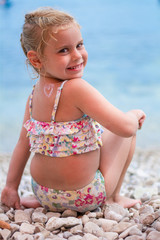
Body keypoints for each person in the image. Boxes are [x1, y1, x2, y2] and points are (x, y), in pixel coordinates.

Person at [1, 7, 146, 212]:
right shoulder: (77, 88)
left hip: (43, 192)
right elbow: (124, 128)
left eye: (79, 45)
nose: (77, 55)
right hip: (84, 195)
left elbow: (22, 144)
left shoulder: (34, 95)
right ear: (36, 60)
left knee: (100, 135)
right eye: (64, 50)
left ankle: (55, 201)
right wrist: (134, 115)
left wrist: (10, 187)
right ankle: (113, 198)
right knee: (125, 127)